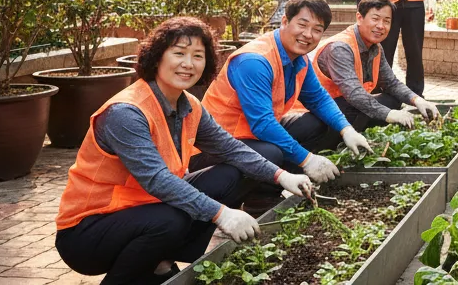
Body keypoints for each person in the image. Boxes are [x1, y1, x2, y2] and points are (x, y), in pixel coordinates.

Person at [56, 18, 314, 285]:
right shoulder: (126, 112)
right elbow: (157, 179)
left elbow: (230, 148)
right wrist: (222, 213)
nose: (188, 64)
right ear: (157, 57)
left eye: (198, 56)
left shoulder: (188, 104)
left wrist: (282, 176)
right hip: (88, 231)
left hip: (145, 207)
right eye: (178, 53)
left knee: (231, 175)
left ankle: (160, 259)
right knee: (169, 221)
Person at [193, 0, 372, 187]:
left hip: (252, 135)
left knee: (315, 123)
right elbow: (262, 124)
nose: (308, 34)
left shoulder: (298, 58)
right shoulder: (254, 61)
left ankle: (289, 185)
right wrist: (307, 160)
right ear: (285, 21)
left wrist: (347, 130)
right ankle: (260, 200)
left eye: (317, 30)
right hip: (214, 146)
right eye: (302, 25)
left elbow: (318, 99)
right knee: (271, 153)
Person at [300, 0, 442, 151]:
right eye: (375, 19)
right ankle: (330, 146)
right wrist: (389, 114)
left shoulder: (375, 47)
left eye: (386, 21)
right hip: (316, 112)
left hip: (345, 105)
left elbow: (391, 82)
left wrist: (417, 100)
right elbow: (354, 94)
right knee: (360, 107)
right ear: (359, 18)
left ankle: (359, 136)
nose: (381, 26)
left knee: (392, 99)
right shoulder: (339, 48)